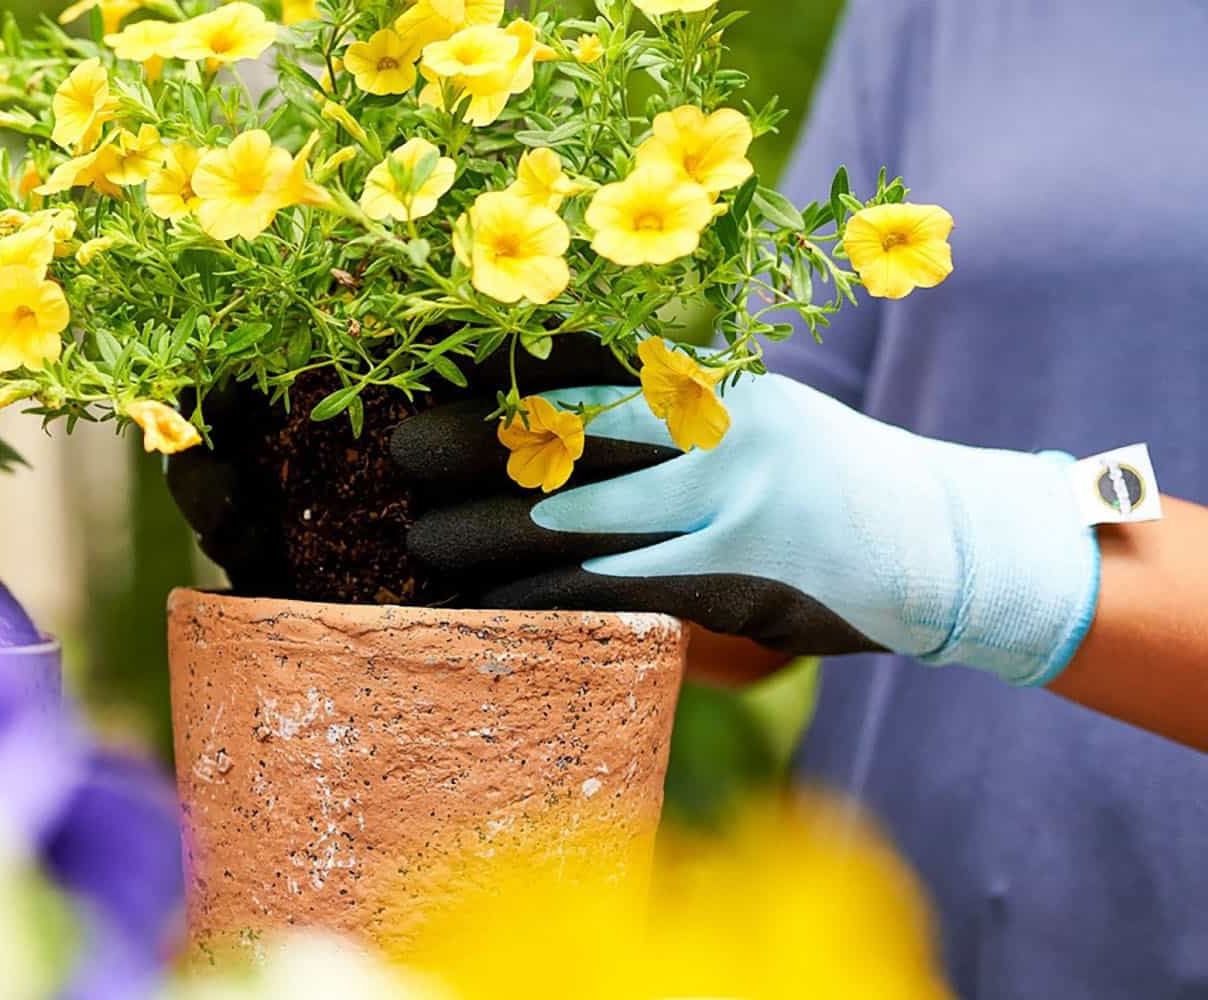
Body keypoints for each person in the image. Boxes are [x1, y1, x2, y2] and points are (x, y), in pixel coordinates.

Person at [396, 1, 1208, 995]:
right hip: (875, 945)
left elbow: (847, 517)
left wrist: (965, 545)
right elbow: (760, 595)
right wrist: (422, 501)